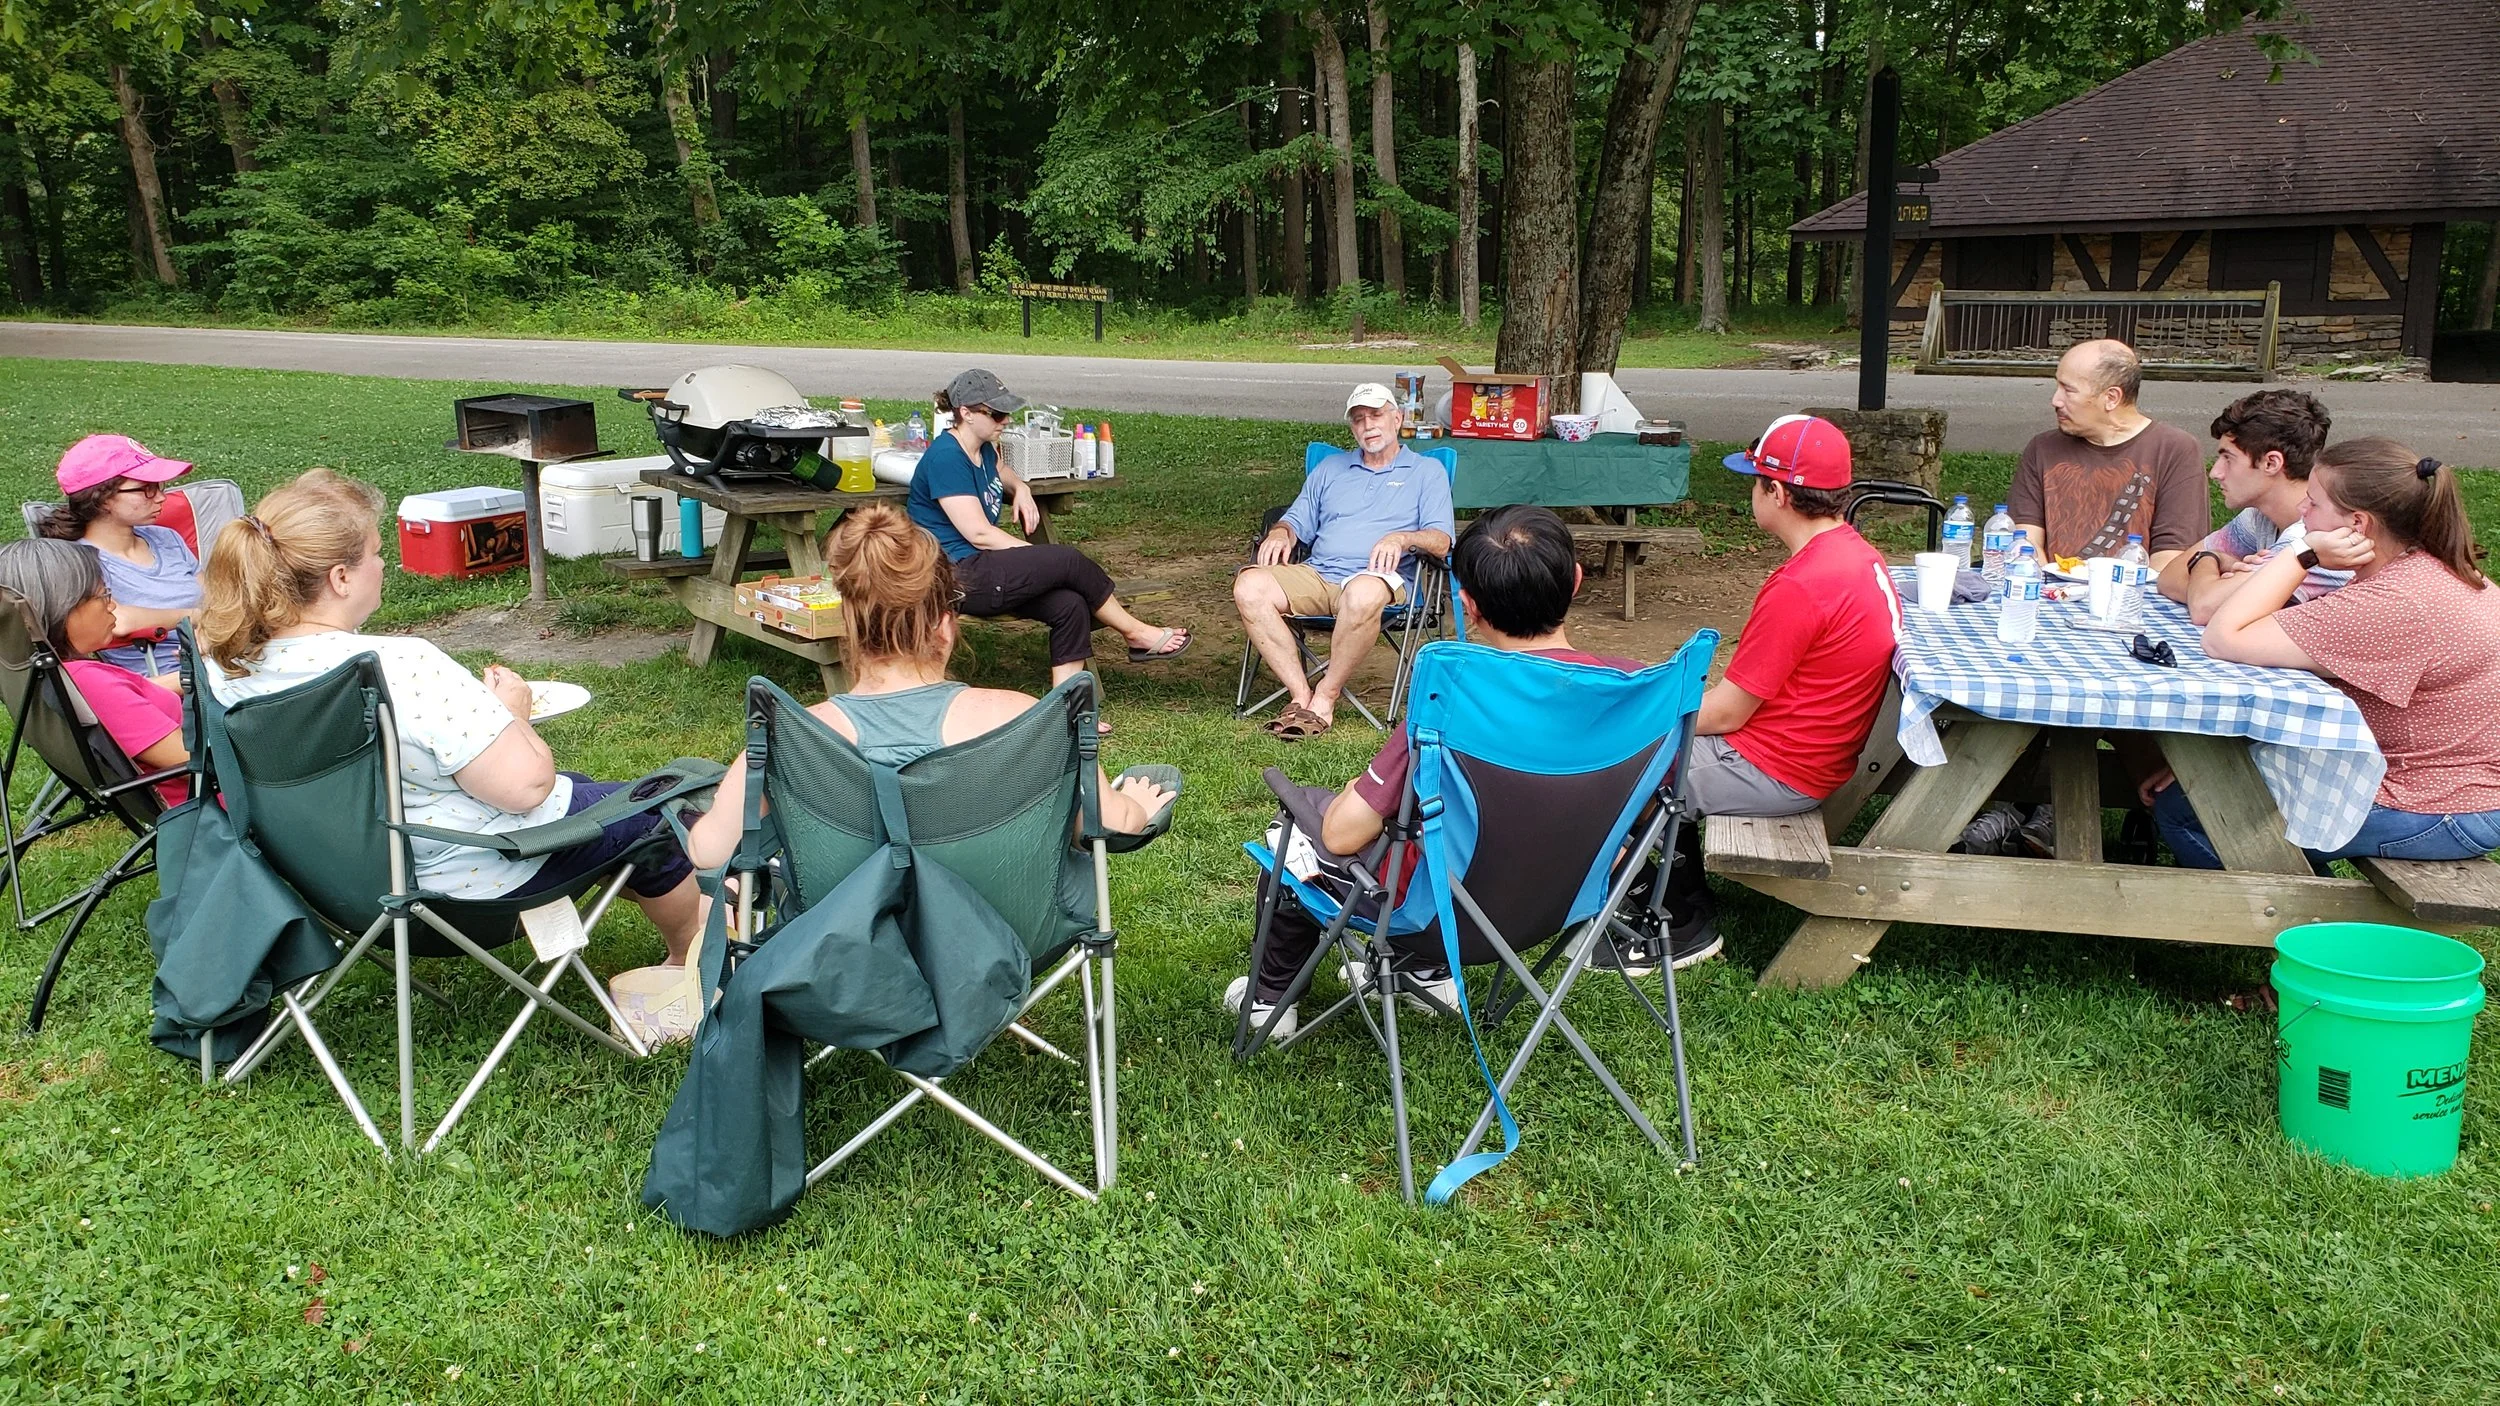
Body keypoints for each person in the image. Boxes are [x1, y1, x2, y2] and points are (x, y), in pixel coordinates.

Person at [197, 470, 708, 970]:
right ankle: (691, 955)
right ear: (341, 577)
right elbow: (526, 788)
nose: (383, 565)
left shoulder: (228, 667)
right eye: (377, 553)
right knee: (648, 817)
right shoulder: (397, 665)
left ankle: (697, 880)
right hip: (463, 885)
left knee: (587, 794)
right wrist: (514, 714)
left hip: (329, 886)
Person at [1222, 506, 1640, 1039]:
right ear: (1577, 581)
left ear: (1468, 605)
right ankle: (1426, 976)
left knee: (1298, 837)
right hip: (1564, 903)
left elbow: (1343, 832)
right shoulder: (1637, 693)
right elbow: (1642, 813)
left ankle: (1268, 1003)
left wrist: (1347, 793)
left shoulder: (1457, 700)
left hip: (1437, 918)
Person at [686, 505, 1175, 871]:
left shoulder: (791, 735)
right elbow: (1108, 824)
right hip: (998, 947)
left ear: (850, 630)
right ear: (945, 626)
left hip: (845, 960)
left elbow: (710, 852)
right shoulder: (1024, 719)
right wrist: (1137, 801)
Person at [2151, 438, 2500, 868]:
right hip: (2454, 789)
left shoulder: (2391, 603)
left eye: (2313, 504)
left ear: (2358, 524)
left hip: (2437, 806)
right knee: (2203, 789)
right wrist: (2227, 763)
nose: (2302, 512)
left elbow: (2223, 637)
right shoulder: (2424, 572)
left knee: (2191, 811)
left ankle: (2293, 921)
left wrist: (2302, 553)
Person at [1649, 414, 1904, 946]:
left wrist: (1638, 712)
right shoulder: (1860, 556)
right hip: (1815, 755)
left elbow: (1726, 714)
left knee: (1622, 761)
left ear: (1778, 492)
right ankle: (1676, 888)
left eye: (1754, 481)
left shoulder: (1802, 584)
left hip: (1775, 768)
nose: (1752, 492)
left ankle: (1677, 923)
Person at [904, 369, 1188, 705]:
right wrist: (1035, 558)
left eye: (1007, 412)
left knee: (1070, 604)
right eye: (995, 413)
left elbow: (1000, 471)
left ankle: (1065, 711)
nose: (1005, 420)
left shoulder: (982, 449)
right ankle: (1135, 632)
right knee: (1064, 560)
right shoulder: (946, 456)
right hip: (953, 575)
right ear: (965, 413)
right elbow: (978, 533)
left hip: (982, 568)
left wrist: (1021, 488)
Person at [1234, 382, 1457, 738]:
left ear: (1397, 418)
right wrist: (1281, 532)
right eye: (1358, 419)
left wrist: (1403, 538)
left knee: (1363, 593)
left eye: (1376, 415)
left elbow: (1442, 541)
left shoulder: (1426, 472)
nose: (1368, 425)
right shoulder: (1330, 469)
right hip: (1319, 574)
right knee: (1249, 585)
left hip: (1381, 580)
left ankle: (1326, 694)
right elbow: (1296, 520)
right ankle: (1299, 695)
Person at [0, 538, 189, 806]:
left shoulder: (53, 676)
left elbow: (134, 696)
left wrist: (198, 674)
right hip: (227, 799)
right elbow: (202, 763)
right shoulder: (93, 684)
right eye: (104, 595)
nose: (112, 605)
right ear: (63, 608)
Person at [2010, 340, 2207, 570]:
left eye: (2068, 390)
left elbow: (2171, 558)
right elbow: (2025, 542)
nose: (2056, 400)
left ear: (2111, 398)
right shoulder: (2043, 448)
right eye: (2057, 387)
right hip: (2053, 595)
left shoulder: (2175, 449)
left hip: (2136, 598)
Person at [2155, 389, 2347, 624]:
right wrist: (2216, 574)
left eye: (2228, 458)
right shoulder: (2259, 518)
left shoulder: (2316, 534)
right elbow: (2169, 577)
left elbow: (2204, 607)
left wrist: (2208, 559)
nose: (2215, 472)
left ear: (2271, 463)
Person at [43, 434, 203, 686]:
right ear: (103, 498)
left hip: (214, 656)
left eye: (159, 487)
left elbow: (216, 595)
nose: (161, 497)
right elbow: (119, 620)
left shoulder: (167, 538)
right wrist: (196, 615)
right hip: (164, 679)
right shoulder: (77, 561)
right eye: (147, 489)